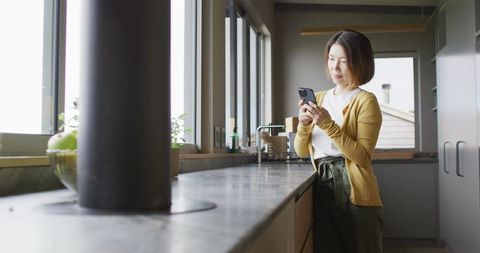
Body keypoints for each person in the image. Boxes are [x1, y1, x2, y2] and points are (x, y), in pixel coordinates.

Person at [294, 29, 383, 253]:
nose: (335, 67)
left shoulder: (366, 101)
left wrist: (327, 124)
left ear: (361, 62)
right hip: (323, 186)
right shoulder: (321, 98)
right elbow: (302, 151)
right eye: (332, 59)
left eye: (344, 61)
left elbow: (362, 157)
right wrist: (304, 125)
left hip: (355, 192)